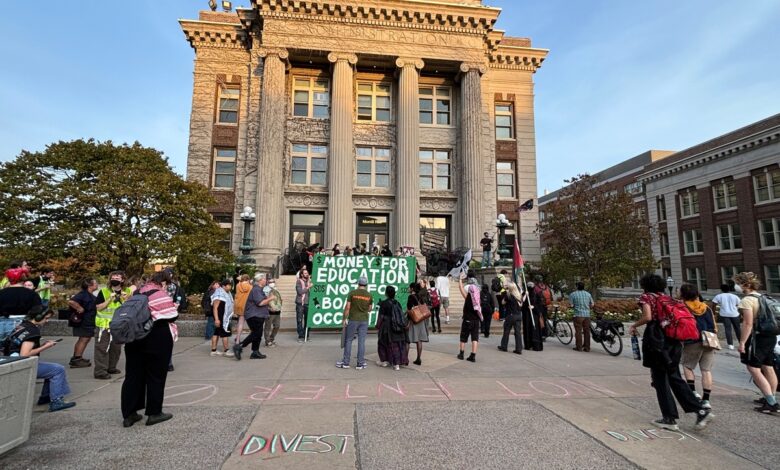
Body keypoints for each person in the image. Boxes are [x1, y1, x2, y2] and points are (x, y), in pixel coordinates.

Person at [629, 274, 713, 430]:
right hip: (674, 340)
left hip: (657, 340)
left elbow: (647, 317)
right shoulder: (667, 298)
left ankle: (670, 418)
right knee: (674, 376)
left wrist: (634, 325)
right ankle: (700, 409)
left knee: (660, 378)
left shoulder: (646, 297)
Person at [121, 270, 178, 427]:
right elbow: (171, 315)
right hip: (156, 337)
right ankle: (154, 413)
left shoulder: (138, 292)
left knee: (133, 376)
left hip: (134, 338)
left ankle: (129, 414)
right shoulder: (160, 294)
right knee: (156, 375)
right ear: (164, 282)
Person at [2, 304, 76, 412]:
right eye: (46, 318)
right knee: (58, 369)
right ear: (38, 317)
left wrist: (40, 344)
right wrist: (46, 346)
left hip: (11, 362)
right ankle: (56, 401)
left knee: (50, 369)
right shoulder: (33, 331)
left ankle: (45, 397)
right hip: (22, 366)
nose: (47, 321)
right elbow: (25, 354)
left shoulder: (22, 326)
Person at [734, 272, 778, 413]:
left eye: (738, 283)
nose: (736, 286)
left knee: (753, 368)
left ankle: (771, 403)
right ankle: (770, 397)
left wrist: (742, 342)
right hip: (770, 335)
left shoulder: (747, 300)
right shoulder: (762, 297)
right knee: (768, 367)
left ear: (745, 285)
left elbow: (748, 323)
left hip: (757, 338)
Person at [679, 283, 717, 410]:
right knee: (706, 370)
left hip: (693, 340)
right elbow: (713, 324)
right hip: (709, 340)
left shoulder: (683, 307)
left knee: (687, 366)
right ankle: (706, 399)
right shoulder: (706, 307)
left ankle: (693, 392)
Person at [93, 271, 132, 379]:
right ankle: (100, 371)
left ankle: (111, 367)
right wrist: (110, 299)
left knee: (116, 348)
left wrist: (126, 299)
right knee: (102, 348)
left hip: (119, 325)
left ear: (122, 280)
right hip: (104, 325)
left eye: (117, 277)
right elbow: (98, 307)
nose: (115, 279)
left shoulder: (127, 291)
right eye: (113, 277)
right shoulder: (104, 291)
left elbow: (130, 307)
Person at [336, 277, 373, 369]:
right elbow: (370, 309)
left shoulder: (352, 293)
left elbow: (348, 307)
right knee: (362, 341)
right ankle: (360, 363)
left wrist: (344, 318)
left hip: (353, 319)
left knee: (348, 340)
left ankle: (346, 362)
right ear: (366, 285)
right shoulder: (369, 295)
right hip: (364, 320)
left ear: (358, 284)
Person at [233, 273, 272, 360]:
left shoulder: (258, 289)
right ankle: (239, 346)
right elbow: (260, 303)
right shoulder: (256, 289)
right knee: (256, 333)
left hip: (258, 315)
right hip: (254, 315)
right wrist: (270, 298)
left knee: (258, 334)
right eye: (264, 279)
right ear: (260, 280)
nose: (266, 280)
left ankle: (255, 352)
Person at [0, 265, 42, 341]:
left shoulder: (2, 293)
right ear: (23, 279)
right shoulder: (32, 294)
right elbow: (37, 309)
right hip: (24, 323)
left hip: (3, 323)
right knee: (23, 349)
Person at [67, 278, 99, 368]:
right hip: (84, 321)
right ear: (90, 285)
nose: (97, 285)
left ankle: (78, 357)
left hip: (88, 321)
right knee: (84, 339)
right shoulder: (83, 294)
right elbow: (71, 301)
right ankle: (77, 359)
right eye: (95, 283)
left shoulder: (89, 295)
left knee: (85, 339)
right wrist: (79, 308)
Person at [376, 285, 409, 370]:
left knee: (383, 343)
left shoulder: (384, 303)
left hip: (387, 327)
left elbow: (381, 317)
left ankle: (384, 361)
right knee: (397, 345)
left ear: (386, 293)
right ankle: (396, 364)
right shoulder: (397, 303)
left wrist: (378, 326)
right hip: (398, 327)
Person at [457, 271, 482, 362]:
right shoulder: (478, 298)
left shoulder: (468, 297)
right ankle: (473, 355)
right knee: (475, 338)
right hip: (476, 320)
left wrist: (460, 279)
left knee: (463, 337)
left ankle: (461, 353)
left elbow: (460, 288)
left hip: (467, 319)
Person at [405, 282, 430, 366]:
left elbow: (409, 311)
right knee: (419, 340)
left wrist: (408, 323)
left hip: (413, 321)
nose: (408, 289)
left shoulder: (410, 297)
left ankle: (405, 359)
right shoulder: (420, 297)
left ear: (412, 289)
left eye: (409, 287)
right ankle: (418, 359)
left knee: (407, 341)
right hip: (421, 321)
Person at [209, 279, 235, 357]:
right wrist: (217, 319)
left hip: (223, 316)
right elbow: (215, 307)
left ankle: (213, 350)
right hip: (220, 317)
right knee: (225, 333)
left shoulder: (227, 293)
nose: (230, 287)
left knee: (216, 333)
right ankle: (226, 350)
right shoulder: (219, 293)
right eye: (229, 285)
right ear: (223, 286)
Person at [712, 284, 741, 350]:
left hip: (724, 314)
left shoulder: (719, 296)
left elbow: (713, 305)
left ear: (721, 289)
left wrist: (713, 313)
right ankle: (741, 342)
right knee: (737, 329)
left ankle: (730, 344)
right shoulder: (735, 296)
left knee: (728, 329)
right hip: (734, 314)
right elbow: (739, 304)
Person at [498, 281, 523, 354]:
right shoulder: (519, 295)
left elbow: (502, 302)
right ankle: (519, 349)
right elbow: (521, 305)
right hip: (518, 315)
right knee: (518, 333)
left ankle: (504, 346)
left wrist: (505, 291)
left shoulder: (508, 295)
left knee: (506, 331)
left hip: (510, 315)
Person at [569, 282, 594, 352]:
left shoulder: (573, 294)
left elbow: (571, 305)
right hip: (587, 315)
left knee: (578, 332)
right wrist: (587, 307)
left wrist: (574, 306)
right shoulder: (588, 294)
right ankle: (587, 347)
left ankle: (579, 347)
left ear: (577, 286)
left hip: (578, 315)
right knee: (587, 331)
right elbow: (592, 304)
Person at [522, 283, 543, 351]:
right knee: (527, 329)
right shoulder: (524, 294)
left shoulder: (536, 295)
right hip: (527, 316)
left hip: (534, 316)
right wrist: (525, 295)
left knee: (535, 330)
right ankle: (528, 345)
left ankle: (536, 345)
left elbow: (540, 305)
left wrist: (534, 307)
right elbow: (521, 304)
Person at [233, 274, 252, 344]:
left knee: (239, 323)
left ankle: (237, 339)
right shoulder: (250, 287)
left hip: (238, 305)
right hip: (246, 306)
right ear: (248, 279)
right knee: (245, 323)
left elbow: (239, 280)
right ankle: (239, 340)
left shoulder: (238, 285)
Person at [264, 278, 282, 347]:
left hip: (277, 311)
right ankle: (267, 341)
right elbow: (266, 300)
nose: (272, 283)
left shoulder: (276, 289)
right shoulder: (265, 289)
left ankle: (271, 339)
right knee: (267, 327)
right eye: (270, 282)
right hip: (270, 311)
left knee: (277, 326)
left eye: (273, 282)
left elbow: (279, 299)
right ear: (268, 283)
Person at [295, 267, 312, 342]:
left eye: (307, 273)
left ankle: (306, 335)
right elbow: (300, 292)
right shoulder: (299, 281)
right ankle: (301, 336)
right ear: (302, 275)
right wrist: (308, 287)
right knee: (299, 320)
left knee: (308, 320)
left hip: (308, 304)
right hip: (300, 304)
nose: (307, 274)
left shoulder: (309, 282)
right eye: (305, 273)